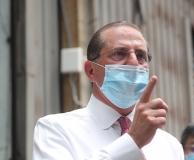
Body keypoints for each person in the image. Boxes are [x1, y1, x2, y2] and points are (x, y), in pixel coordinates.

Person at [33, 21, 184, 160]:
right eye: (119, 53)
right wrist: (133, 141)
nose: (133, 62)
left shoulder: (170, 146)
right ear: (91, 71)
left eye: (140, 56)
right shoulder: (56, 130)